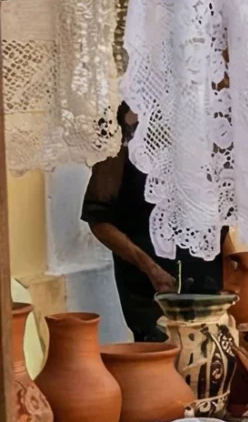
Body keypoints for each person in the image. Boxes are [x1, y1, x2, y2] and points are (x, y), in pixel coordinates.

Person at [83, 105, 220, 342]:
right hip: (151, 284)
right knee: (159, 356)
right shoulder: (118, 132)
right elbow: (99, 220)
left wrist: (235, 255)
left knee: (207, 359)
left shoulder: (194, 121)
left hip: (204, 276)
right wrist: (149, 267)